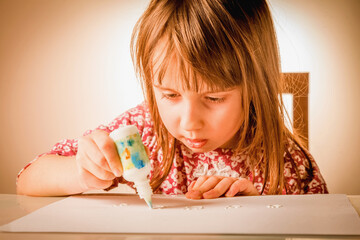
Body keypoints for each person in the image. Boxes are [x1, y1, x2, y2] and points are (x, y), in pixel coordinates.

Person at [16, 0, 328, 198]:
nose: (189, 121)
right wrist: (82, 173)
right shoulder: (142, 131)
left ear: (254, 88)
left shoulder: (285, 159)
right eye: (170, 95)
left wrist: (260, 213)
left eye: (214, 97)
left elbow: (320, 224)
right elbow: (27, 180)